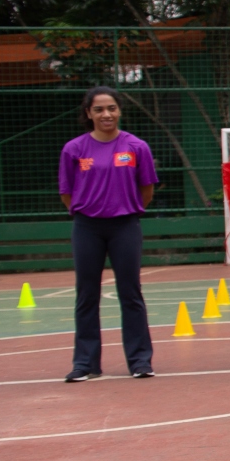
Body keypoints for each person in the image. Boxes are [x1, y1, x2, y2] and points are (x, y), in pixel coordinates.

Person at [58, 86, 158, 381]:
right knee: (87, 294)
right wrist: (87, 208)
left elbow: (147, 189)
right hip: (87, 227)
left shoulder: (136, 147)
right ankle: (85, 363)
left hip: (125, 226)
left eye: (111, 108)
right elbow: (67, 192)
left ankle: (140, 361)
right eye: (99, 109)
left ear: (119, 111)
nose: (106, 114)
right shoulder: (74, 149)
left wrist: (126, 207)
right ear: (88, 113)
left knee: (131, 293)